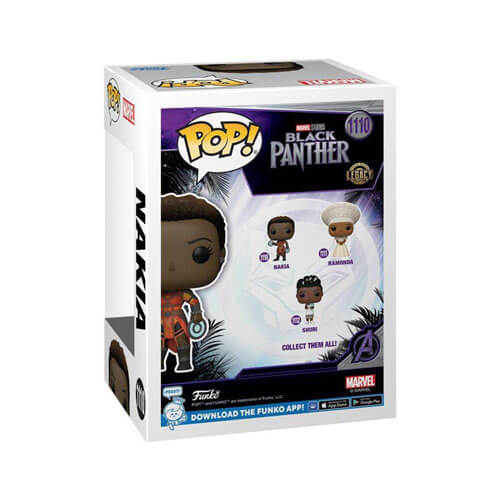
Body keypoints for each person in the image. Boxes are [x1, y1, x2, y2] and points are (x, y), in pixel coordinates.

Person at [161, 194, 227, 373]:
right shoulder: (150, 293)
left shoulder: (183, 294)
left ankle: (184, 363)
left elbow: (192, 302)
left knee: (182, 341)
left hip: (177, 319)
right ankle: (158, 363)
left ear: (221, 255)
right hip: (160, 321)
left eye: (200, 254)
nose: (172, 267)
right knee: (159, 345)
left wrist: (196, 316)